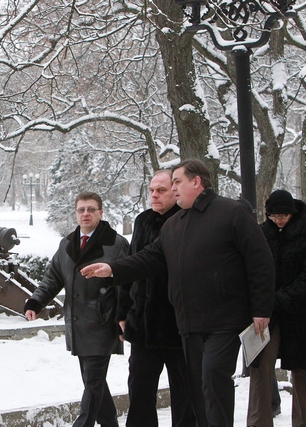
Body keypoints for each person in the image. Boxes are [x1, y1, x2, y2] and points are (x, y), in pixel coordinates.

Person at [80, 158, 275, 427]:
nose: (173, 189)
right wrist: (112, 268)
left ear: (196, 182)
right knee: (197, 388)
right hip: (188, 323)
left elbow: (260, 261)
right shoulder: (175, 224)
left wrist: (261, 309)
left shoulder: (232, 212)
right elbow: (149, 258)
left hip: (225, 319)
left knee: (212, 377)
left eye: (176, 183)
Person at [24, 191, 129, 427]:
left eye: (91, 209)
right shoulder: (67, 244)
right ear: (76, 213)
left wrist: (124, 317)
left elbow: (127, 284)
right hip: (77, 322)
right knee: (94, 382)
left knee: (92, 382)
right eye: (81, 210)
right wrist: (36, 302)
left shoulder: (116, 244)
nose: (86, 214)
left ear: (101, 213)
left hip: (103, 323)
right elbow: (53, 278)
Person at [116, 170, 196, 427]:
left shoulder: (188, 219)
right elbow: (131, 265)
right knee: (140, 390)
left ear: (175, 190)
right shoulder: (143, 221)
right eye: (151, 190)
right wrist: (122, 312)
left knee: (185, 393)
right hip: (143, 324)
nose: (154, 195)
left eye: (161, 190)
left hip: (178, 325)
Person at [247, 189, 306, 427]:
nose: (278, 220)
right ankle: (258, 422)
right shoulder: (262, 233)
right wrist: (262, 301)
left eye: (283, 216)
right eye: (274, 216)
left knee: (301, 369)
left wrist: (283, 298)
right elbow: (252, 269)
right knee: (260, 367)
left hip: (298, 312)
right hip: (265, 312)